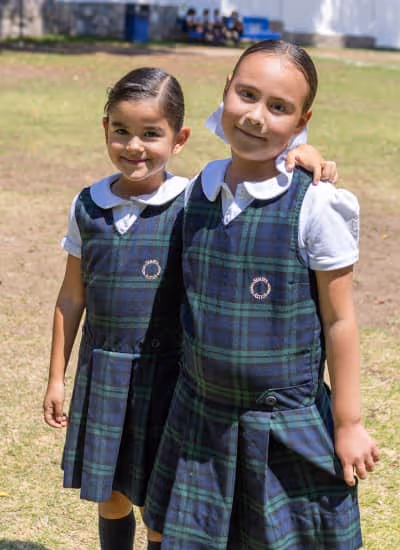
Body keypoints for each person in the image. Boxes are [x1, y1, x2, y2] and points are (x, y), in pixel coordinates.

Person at [42, 64, 338, 549]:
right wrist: (57, 377)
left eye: (151, 134)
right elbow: (71, 295)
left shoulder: (194, 200)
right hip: (105, 377)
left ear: (178, 139)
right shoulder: (87, 206)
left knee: (165, 507)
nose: (134, 146)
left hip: (172, 380)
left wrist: (304, 152)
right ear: (105, 130)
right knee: (111, 494)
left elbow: (267, 169)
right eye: (121, 131)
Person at [143, 40, 379, 549]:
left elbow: (340, 321)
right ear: (226, 87)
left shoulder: (317, 205)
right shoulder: (195, 191)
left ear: (302, 119)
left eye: (279, 108)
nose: (255, 116)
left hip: (284, 425)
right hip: (200, 415)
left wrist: (349, 423)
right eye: (246, 94)